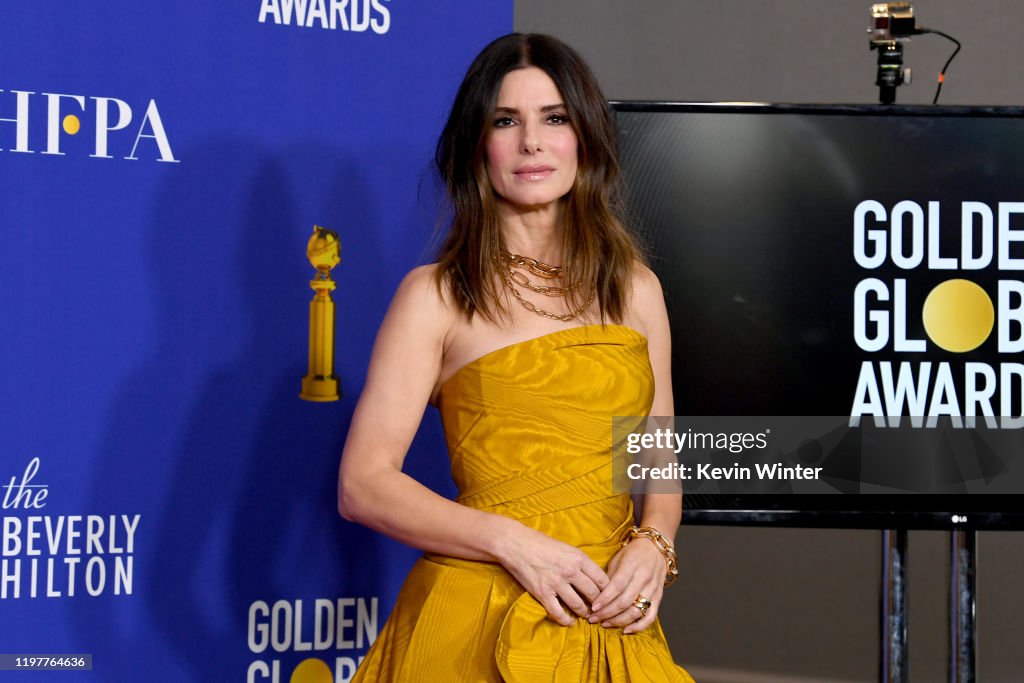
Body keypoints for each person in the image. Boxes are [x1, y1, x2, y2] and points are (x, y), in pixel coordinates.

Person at [338, 32, 694, 682]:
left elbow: (658, 458)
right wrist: (512, 542)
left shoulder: (636, 288)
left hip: (607, 619)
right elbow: (363, 484)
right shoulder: (435, 296)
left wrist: (655, 541)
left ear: (583, 137)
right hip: (471, 622)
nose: (532, 142)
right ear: (480, 144)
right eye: (507, 120)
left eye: (554, 118)